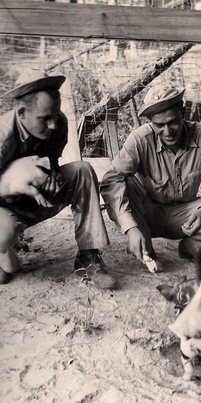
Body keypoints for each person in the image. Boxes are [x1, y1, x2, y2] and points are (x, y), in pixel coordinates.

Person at [99, 85, 201, 268]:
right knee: (126, 182)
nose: (167, 132)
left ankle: (192, 244)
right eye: (159, 125)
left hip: (188, 216)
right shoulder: (139, 140)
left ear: (183, 112)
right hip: (148, 215)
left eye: (173, 122)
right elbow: (110, 181)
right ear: (150, 122)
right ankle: (147, 250)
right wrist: (130, 227)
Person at [0, 69, 116, 289]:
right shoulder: (2, 136)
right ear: (22, 112)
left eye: (55, 116)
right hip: (4, 207)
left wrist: (50, 174)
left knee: (81, 170)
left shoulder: (58, 122)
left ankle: (88, 259)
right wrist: (13, 183)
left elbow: (51, 159)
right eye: (44, 119)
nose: (53, 125)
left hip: (36, 201)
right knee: (4, 235)